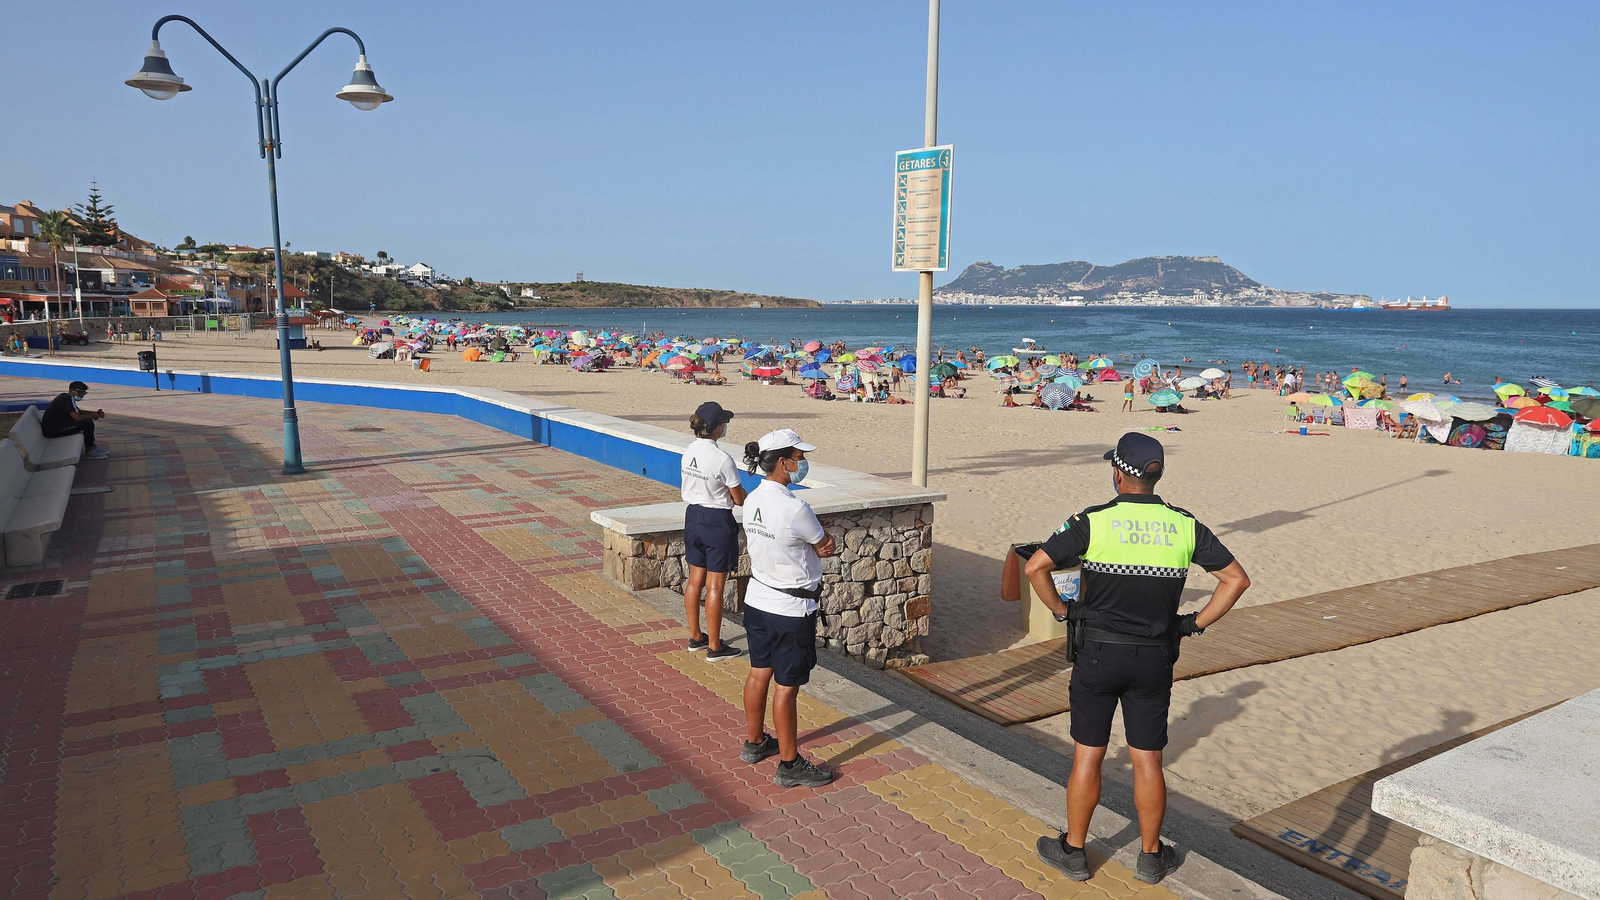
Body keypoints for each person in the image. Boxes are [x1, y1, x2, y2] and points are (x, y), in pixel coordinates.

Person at [1027, 433, 1250, 886]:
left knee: (1088, 755)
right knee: (1148, 759)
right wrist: (1192, 623)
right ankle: (1150, 857)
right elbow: (1236, 580)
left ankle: (1074, 851)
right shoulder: (1184, 525)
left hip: (1097, 654)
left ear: (1117, 473)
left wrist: (1062, 611)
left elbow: (1035, 567)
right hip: (1154, 658)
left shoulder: (1094, 521)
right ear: (1156, 476)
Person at [738, 428, 837, 788]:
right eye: (798, 457)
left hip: (757, 600)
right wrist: (821, 546)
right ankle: (790, 764)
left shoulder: (752, 499)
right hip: (790, 609)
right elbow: (825, 544)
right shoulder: (796, 508)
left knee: (758, 672)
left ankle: (754, 742)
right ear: (783, 463)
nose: (802, 462)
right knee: (787, 686)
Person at [680, 402, 746, 661]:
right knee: (715, 585)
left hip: (693, 515)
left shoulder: (688, 451)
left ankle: (696, 636)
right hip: (717, 520)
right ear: (718, 427)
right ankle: (715, 646)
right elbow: (738, 499)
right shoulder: (723, 459)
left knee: (695, 579)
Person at [42, 381, 110, 460]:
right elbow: (77, 417)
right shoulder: (66, 399)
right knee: (86, 423)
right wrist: (93, 415)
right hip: (52, 431)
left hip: (57, 427)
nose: (81, 395)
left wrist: (95, 413)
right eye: (79, 392)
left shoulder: (67, 398)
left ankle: (92, 446)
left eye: (84, 393)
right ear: (71, 391)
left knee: (87, 420)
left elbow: (79, 411)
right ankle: (89, 450)